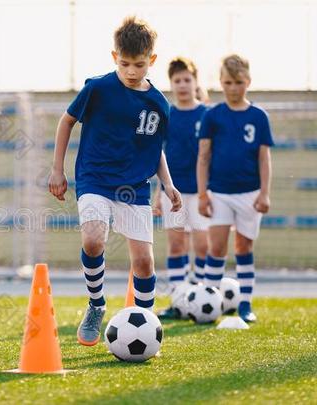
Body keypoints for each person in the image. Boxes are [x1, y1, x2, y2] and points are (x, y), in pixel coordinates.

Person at [48, 16, 182, 346]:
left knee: (144, 262)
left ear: (151, 60)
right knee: (93, 240)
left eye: (139, 64)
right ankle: (96, 304)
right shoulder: (98, 88)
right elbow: (66, 122)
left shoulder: (158, 104)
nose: (132, 71)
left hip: (134, 187)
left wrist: (168, 184)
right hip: (95, 178)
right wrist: (57, 169)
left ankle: (147, 327)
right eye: (124, 64)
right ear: (114, 58)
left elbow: (155, 150)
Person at [197, 54, 274, 323]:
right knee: (216, 248)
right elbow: (203, 156)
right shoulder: (213, 116)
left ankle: (245, 304)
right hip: (218, 192)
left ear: (248, 82)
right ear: (221, 82)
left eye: (238, 82)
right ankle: (209, 301)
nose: (233, 88)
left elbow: (264, 158)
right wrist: (203, 194)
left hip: (250, 194)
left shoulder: (259, 117)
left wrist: (264, 193)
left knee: (243, 247)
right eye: (228, 82)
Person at [153, 57, 210, 319]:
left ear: (195, 82)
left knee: (202, 246)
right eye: (177, 80)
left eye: (187, 79)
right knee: (177, 246)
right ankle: (178, 301)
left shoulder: (207, 115)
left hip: (201, 192)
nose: (183, 84)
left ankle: (200, 297)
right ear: (172, 84)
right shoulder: (167, 115)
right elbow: (158, 156)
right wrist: (158, 193)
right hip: (172, 192)